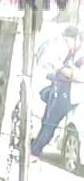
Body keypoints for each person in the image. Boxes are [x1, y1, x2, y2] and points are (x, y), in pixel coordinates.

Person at [30, 26, 84, 160]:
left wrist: (60, 68)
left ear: (77, 39)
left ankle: (35, 152)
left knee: (50, 123)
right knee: (46, 121)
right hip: (60, 89)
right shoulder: (73, 52)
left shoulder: (81, 56)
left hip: (69, 94)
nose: (67, 44)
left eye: (68, 41)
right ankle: (33, 149)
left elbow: (78, 76)